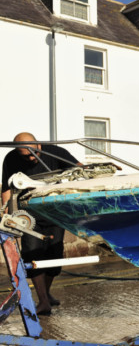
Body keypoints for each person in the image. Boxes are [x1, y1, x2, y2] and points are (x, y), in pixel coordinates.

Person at [1, 132, 80, 315]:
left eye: (32, 153)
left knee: (54, 255)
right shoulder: (11, 158)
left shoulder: (55, 152)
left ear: (38, 145)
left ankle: (47, 294)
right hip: (30, 215)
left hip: (55, 213)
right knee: (33, 256)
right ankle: (43, 301)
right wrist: (7, 212)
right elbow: (6, 186)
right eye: (25, 156)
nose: (29, 158)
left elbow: (78, 168)